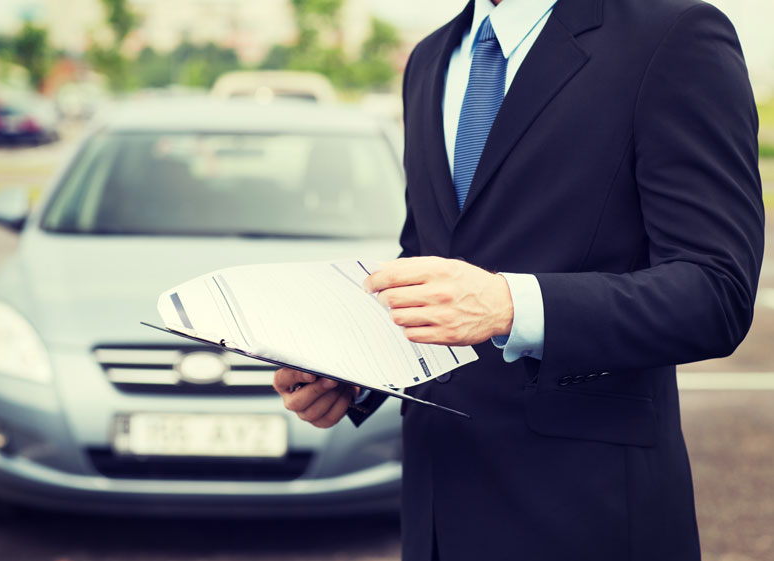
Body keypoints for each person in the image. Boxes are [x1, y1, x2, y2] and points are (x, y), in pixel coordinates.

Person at [273, 0, 765, 559]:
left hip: (588, 515)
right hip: (436, 512)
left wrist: (511, 305)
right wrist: (355, 368)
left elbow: (715, 290)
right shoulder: (429, 58)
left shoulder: (673, 35)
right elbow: (427, 258)